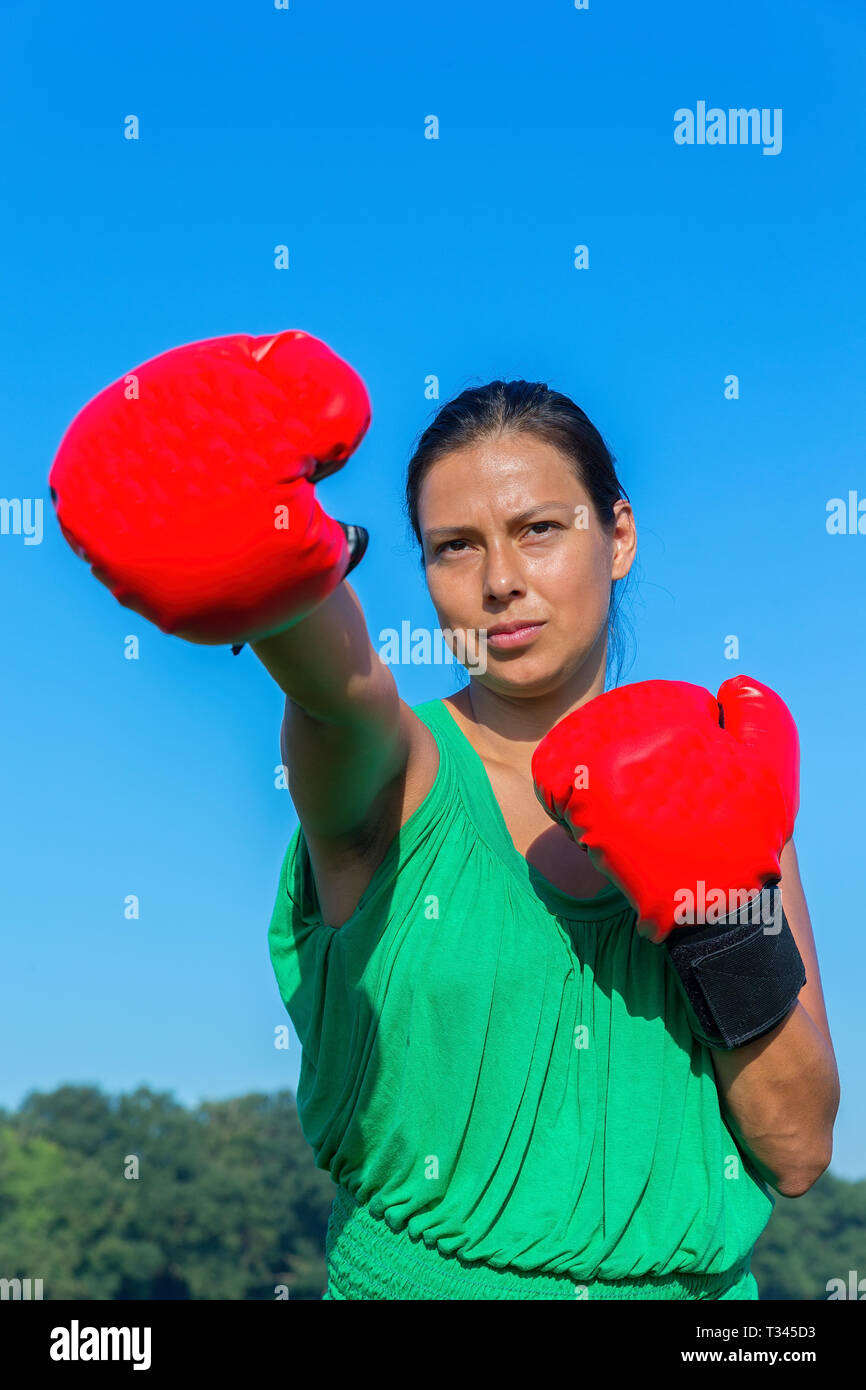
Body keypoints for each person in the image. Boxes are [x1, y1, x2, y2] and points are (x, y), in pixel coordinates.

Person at [49, 334, 839, 1300]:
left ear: (619, 536)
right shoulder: (399, 778)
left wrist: (716, 922)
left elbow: (796, 1149)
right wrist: (255, 549)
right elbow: (340, 696)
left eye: (539, 528)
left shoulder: (722, 784)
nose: (499, 579)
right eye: (454, 546)